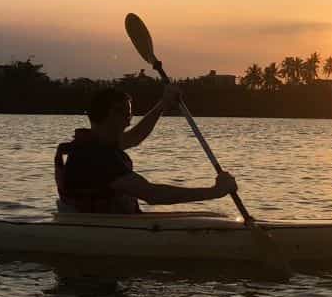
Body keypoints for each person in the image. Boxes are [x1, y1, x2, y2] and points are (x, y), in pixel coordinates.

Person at [55, 85, 236, 213]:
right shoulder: (97, 156)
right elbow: (152, 194)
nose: (129, 119)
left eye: (130, 114)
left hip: (108, 223)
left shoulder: (97, 144)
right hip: (100, 229)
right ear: (111, 114)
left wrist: (163, 104)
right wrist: (215, 192)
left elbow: (135, 137)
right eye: (126, 113)